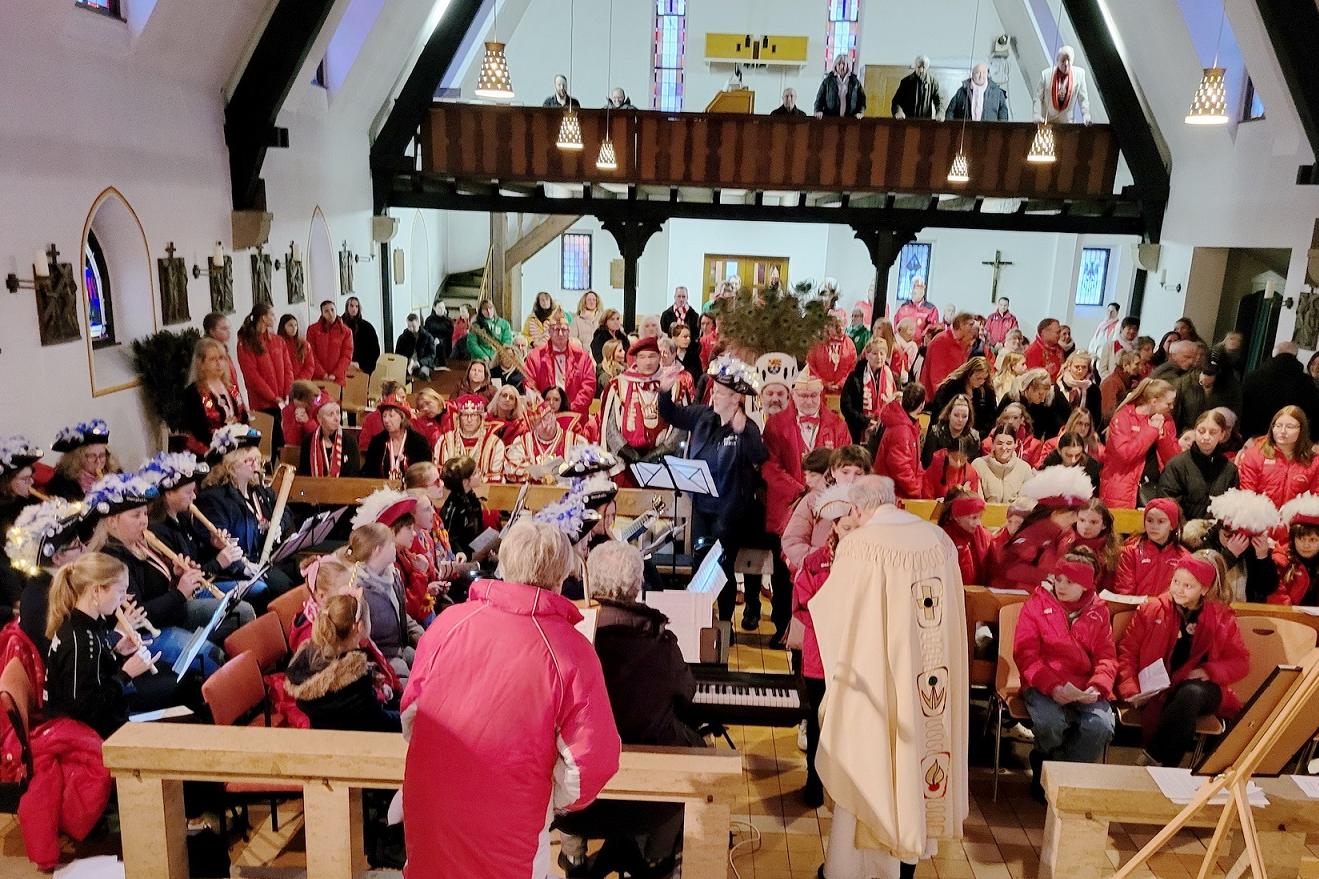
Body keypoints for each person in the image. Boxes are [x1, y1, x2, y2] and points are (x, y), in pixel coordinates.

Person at [401, 520, 620, 879]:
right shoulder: (570, 649)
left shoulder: (449, 622)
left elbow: (412, 715)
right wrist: (548, 797)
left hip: (433, 802)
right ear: (560, 577)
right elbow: (590, 764)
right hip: (511, 821)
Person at [810, 475, 968, 879]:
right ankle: (908, 857)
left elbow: (836, 613)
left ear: (859, 509)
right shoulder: (938, 540)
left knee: (872, 768)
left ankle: (855, 871)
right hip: (929, 681)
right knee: (916, 768)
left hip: (876, 684)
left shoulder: (860, 545)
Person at [555, 541, 702, 875]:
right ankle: (657, 857)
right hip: (648, 803)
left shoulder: (568, 637)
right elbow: (687, 693)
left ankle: (574, 857)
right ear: (638, 587)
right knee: (694, 751)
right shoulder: (659, 642)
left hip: (578, 799)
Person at [658, 354, 768, 625]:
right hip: (701, 508)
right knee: (699, 560)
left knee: (722, 566)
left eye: (721, 393)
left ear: (735, 398)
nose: (714, 397)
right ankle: (701, 617)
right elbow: (672, 414)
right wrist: (663, 391)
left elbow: (760, 456)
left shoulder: (746, 426)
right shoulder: (702, 416)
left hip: (729, 512)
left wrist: (743, 432)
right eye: (715, 391)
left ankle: (725, 620)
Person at [1116, 551, 1248, 767]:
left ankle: (1152, 758)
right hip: (1158, 688)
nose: (1178, 589)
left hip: (1203, 689)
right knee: (1182, 707)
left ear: (1204, 590)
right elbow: (1127, 651)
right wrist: (1131, 688)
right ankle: (1166, 770)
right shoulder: (1153, 608)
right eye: (1176, 581)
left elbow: (1240, 662)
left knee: (1191, 693)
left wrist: (1208, 671)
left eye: (1188, 586)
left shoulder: (1221, 617)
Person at [1014, 547, 1116, 801]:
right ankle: (1044, 762)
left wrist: (1098, 685)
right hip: (1044, 682)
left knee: (1101, 725)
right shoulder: (1036, 606)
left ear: (1085, 585)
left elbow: (1107, 656)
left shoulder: (1099, 611)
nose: (1061, 586)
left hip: (1084, 686)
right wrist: (1053, 686)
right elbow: (1026, 655)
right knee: (1051, 723)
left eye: (1069, 582)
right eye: (1058, 579)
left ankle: (1064, 775)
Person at [42, 552, 165, 740]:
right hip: (91, 738)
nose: (124, 599)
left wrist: (117, 652)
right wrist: (126, 674)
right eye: (120, 591)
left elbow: (94, 674)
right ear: (97, 590)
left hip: (107, 722)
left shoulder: (88, 624)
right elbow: (84, 709)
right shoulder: (80, 639)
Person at [792, 498, 859, 808]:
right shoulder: (816, 561)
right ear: (834, 526)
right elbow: (802, 603)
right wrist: (828, 617)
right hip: (819, 655)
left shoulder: (868, 563)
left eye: (856, 528)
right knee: (817, 721)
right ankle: (813, 781)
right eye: (846, 528)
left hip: (854, 654)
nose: (851, 534)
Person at [283, 592, 401, 732]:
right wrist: (410, 716)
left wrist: (371, 677)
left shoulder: (307, 661)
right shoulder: (354, 681)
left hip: (326, 736)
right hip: (358, 744)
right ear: (360, 627)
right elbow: (381, 723)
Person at [347, 508, 424, 680]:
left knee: (435, 666)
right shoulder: (358, 590)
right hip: (382, 663)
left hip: (401, 650)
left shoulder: (392, 575)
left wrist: (422, 636)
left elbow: (402, 614)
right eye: (390, 544)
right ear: (377, 550)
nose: (394, 547)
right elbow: (357, 644)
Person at [991, 465, 1093, 590]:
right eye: (1073, 513)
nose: (1076, 519)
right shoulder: (1035, 534)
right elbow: (1010, 569)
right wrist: (1048, 577)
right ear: (1056, 513)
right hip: (1019, 596)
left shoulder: (1062, 533)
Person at [599, 336, 685, 466]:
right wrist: (631, 455)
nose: (648, 362)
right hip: (625, 463)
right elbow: (610, 428)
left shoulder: (673, 384)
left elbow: (680, 427)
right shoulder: (618, 385)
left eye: (652, 356)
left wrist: (657, 453)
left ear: (659, 357)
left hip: (663, 462)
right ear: (636, 359)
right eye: (642, 357)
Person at [1100, 378, 1180, 509]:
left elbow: (1174, 459)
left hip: (1154, 489)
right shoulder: (1123, 417)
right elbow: (1125, 454)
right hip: (1122, 491)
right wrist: (1151, 430)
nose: (1172, 407)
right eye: (1168, 403)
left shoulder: (1167, 420)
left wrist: (1162, 436)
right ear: (1154, 401)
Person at [1157, 409, 1238, 520]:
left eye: (1213, 432)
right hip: (1183, 532)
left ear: (1222, 435)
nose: (1206, 437)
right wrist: (1186, 529)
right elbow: (1167, 501)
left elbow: (1231, 507)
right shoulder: (1177, 465)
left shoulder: (1230, 470)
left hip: (1215, 533)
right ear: (1195, 430)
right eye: (1201, 431)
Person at [1237, 404, 1319, 512]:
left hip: (1297, 524)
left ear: (1302, 430)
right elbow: (1247, 496)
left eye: (1289, 427)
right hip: (1260, 521)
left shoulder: (1313, 461)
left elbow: (1315, 501)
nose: (1283, 431)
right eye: (1278, 425)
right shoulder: (1253, 456)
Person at [235, 303, 294, 445]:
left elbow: (288, 368)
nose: (274, 317)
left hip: (282, 401)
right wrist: (273, 398)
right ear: (263, 318)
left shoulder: (278, 341)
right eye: (271, 314)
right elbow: (252, 377)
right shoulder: (246, 344)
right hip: (263, 403)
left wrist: (287, 393)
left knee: (284, 442)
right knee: (271, 443)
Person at [181, 337, 250, 457]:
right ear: (201, 363)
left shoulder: (231, 388)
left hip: (236, 451)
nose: (219, 364)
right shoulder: (193, 392)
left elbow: (244, 417)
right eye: (212, 359)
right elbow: (198, 429)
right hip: (207, 453)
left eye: (221, 358)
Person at [523, 308, 597, 414]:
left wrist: (570, 409)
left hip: (575, 418)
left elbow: (589, 386)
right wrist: (545, 409)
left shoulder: (582, 357)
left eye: (564, 329)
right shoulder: (535, 357)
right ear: (549, 331)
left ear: (569, 331)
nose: (561, 334)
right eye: (556, 329)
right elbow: (530, 386)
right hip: (544, 417)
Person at [1114, 498, 1189, 596]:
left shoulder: (1184, 557)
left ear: (1172, 525)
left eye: (1161, 521)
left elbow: (1182, 595)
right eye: (1149, 520)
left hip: (1167, 609)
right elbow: (1124, 591)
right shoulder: (1131, 552)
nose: (1154, 526)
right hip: (1135, 609)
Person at [503, 396, 586, 484]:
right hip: (532, 495)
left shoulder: (576, 441)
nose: (545, 425)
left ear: (554, 416)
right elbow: (510, 468)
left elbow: (588, 468)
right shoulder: (522, 443)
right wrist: (533, 473)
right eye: (539, 422)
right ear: (533, 426)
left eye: (547, 419)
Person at [434, 394, 507, 484]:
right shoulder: (445, 441)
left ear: (481, 418)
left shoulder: (494, 444)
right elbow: (440, 475)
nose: (469, 420)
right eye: (465, 415)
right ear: (458, 418)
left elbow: (495, 480)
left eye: (474, 415)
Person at [1261, 494, 1319, 605]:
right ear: (1293, 538)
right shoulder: (1280, 561)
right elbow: (1278, 598)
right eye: (1301, 539)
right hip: (1288, 618)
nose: (1306, 545)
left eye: (1312, 540)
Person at [46, 420, 120, 502]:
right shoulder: (61, 484)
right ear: (76, 459)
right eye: (92, 456)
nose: (98, 461)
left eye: (102, 455)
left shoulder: (116, 474)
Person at [874, 383, 926, 499]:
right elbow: (900, 467)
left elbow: (916, 465)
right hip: (893, 496)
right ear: (922, 405)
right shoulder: (902, 430)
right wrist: (917, 490)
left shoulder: (909, 426)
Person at [1058, 498, 1121, 591]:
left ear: (1104, 524)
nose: (1086, 526)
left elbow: (1109, 587)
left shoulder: (1110, 550)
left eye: (1093, 522)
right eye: (1082, 520)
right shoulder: (1065, 543)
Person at [362, 398, 432, 481]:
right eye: (384, 416)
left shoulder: (418, 442)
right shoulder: (377, 441)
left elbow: (424, 473)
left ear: (402, 417)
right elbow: (369, 472)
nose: (386, 420)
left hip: (411, 491)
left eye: (391, 416)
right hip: (382, 491)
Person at [939, 492, 994, 586]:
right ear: (957, 517)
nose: (978, 523)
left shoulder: (985, 537)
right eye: (973, 518)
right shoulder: (944, 539)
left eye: (980, 517)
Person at [973, 426, 1033, 504]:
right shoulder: (978, 465)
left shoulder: (1025, 469)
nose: (1004, 448)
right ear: (993, 443)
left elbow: (1027, 500)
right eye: (999, 443)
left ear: (1016, 444)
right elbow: (977, 500)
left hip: (1015, 515)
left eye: (1009, 443)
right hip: (987, 514)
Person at [299, 400, 359, 477]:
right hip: (315, 487)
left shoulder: (350, 441)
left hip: (343, 487)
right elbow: (304, 473)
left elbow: (355, 473)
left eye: (338, 413)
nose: (337, 418)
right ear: (320, 419)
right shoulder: (308, 441)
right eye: (331, 415)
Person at [918, 314, 973, 398]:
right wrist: (944, 401)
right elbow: (936, 377)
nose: (971, 331)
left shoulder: (962, 344)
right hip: (936, 399)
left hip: (953, 395)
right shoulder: (941, 342)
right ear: (961, 326)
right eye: (970, 326)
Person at [1035, 45, 1091, 124]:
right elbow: (1038, 98)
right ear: (1057, 60)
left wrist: (1086, 116)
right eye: (1063, 60)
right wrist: (1037, 115)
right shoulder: (1046, 75)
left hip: (1067, 123)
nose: (1066, 63)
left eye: (1069, 60)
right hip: (1047, 121)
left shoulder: (1080, 74)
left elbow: (1083, 99)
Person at [922, 393, 980, 468]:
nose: (960, 420)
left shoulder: (974, 438)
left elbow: (972, 468)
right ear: (949, 414)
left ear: (969, 418)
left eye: (964, 416)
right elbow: (927, 464)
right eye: (956, 415)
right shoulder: (935, 433)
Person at [305, 300, 354, 385]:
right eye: (326, 311)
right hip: (318, 378)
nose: (330, 313)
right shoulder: (312, 330)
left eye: (332, 310)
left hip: (337, 378)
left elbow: (346, 355)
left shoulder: (346, 332)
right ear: (322, 313)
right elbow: (311, 354)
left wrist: (335, 374)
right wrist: (322, 374)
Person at [806, 317, 858, 393]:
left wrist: (842, 383)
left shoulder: (849, 344)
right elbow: (810, 365)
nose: (837, 328)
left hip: (843, 392)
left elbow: (853, 367)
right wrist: (823, 383)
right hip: (819, 392)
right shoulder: (817, 344)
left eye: (838, 325)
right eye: (831, 325)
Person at [945, 63, 1010, 121]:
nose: (981, 76)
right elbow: (950, 111)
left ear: (987, 74)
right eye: (978, 72)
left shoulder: (997, 92)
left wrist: (1000, 129)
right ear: (972, 74)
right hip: (965, 131)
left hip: (989, 132)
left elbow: (1003, 111)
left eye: (984, 72)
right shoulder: (961, 92)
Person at [282, 380, 330, 451]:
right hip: (299, 450)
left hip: (319, 449)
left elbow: (321, 437)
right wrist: (298, 423)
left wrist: (307, 422)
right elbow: (291, 443)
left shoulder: (323, 408)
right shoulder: (288, 411)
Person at [1056, 351, 1102, 426]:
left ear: (1088, 369)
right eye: (1077, 367)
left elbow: (1096, 416)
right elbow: (1054, 414)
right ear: (1069, 367)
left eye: (1084, 367)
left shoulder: (1093, 389)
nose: (1080, 370)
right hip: (1060, 432)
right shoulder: (1058, 386)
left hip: (1085, 431)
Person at [890, 54, 942, 119]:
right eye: (919, 67)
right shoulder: (906, 82)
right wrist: (898, 111)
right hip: (908, 121)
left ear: (927, 67)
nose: (921, 70)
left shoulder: (933, 83)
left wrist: (940, 112)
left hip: (925, 122)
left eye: (924, 67)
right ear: (915, 66)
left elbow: (939, 102)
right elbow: (896, 101)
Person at [814, 54, 866, 118]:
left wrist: (860, 112)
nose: (841, 66)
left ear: (848, 66)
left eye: (844, 64)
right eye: (839, 64)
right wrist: (818, 111)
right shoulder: (828, 81)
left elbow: (862, 99)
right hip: (831, 118)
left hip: (850, 118)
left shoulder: (855, 82)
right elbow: (819, 99)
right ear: (835, 66)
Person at [1100, 350, 1142, 425]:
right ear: (1125, 365)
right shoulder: (1112, 383)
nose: (1140, 367)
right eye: (1137, 364)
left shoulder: (1127, 382)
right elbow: (1108, 413)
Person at [467, 298, 515, 364]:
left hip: (499, 358)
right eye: (485, 309)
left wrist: (500, 355)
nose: (488, 311)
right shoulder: (475, 325)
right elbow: (472, 344)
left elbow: (508, 341)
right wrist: (483, 356)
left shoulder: (504, 324)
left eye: (490, 308)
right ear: (481, 311)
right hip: (481, 359)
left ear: (494, 309)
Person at [342, 296, 380, 377]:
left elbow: (374, 351)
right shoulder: (339, 326)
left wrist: (360, 365)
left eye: (356, 306)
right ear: (347, 307)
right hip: (343, 367)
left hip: (362, 368)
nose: (354, 309)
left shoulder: (367, 327)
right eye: (351, 306)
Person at [278, 313, 322, 381]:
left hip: (301, 383)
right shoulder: (278, 344)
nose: (294, 328)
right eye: (290, 325)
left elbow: (310, 366)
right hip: (283, 383)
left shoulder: (304, 344)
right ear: (283, 327)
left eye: (295, 325)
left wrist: (299, 380)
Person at [394, 313, 438, 378]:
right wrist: (408, 362)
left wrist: (419, 363)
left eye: (414, 326)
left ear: (418, 323)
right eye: (409, 326)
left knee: (423, 373)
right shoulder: (402, 338)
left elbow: (432, 356)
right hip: (407, 364)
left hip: (423, 364)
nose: (411, 329)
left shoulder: (428, 337)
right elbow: (398, 355)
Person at [423, 300, 454, 370]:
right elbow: (426, 333)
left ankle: (442, 362)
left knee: (441, 344)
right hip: (432, 340)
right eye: (439, 307)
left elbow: (449, 335)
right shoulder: (429, 320)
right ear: (434, 308)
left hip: (444, 342)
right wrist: (433, 339)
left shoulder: (448, 321)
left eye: (443, 307)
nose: (442, 309)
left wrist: (440, 340)